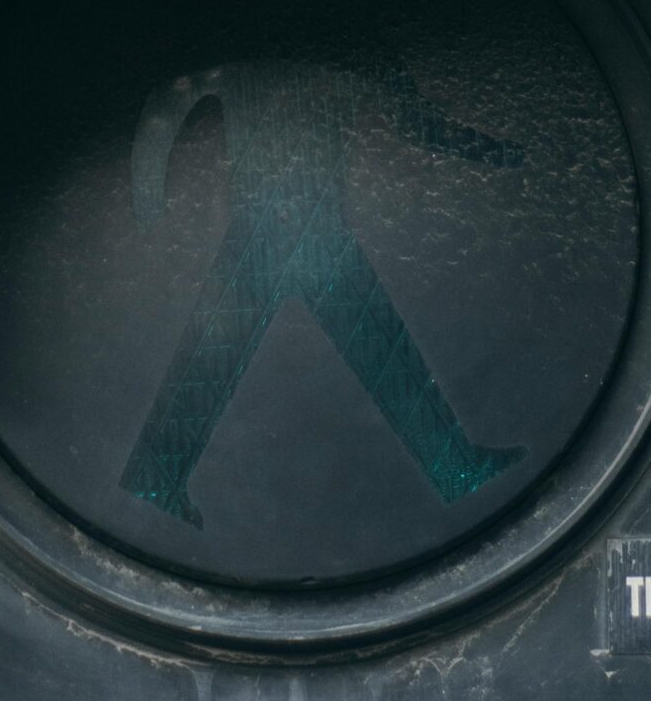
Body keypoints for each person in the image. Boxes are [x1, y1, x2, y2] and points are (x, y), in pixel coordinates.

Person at [120, 59, 523, 529]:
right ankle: (457, 470)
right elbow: (421, 125)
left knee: (212, 364)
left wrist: (149, 208)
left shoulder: (264, 50)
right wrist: (507, 155)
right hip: (304, 239)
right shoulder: (338, 49)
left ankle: (155, 479)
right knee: (385, 361)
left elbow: (168, 100)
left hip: (277, 238)